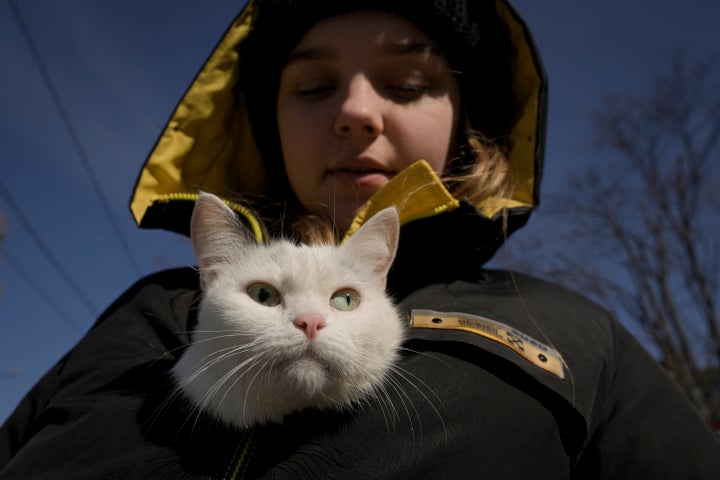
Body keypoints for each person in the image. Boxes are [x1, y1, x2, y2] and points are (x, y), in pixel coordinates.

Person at [1, 0, 719, 478]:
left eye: (406, 81)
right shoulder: (143, 314)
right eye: (313, 88)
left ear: (469, 121)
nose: (354, 112)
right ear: (263, 123)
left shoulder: (578, 335)